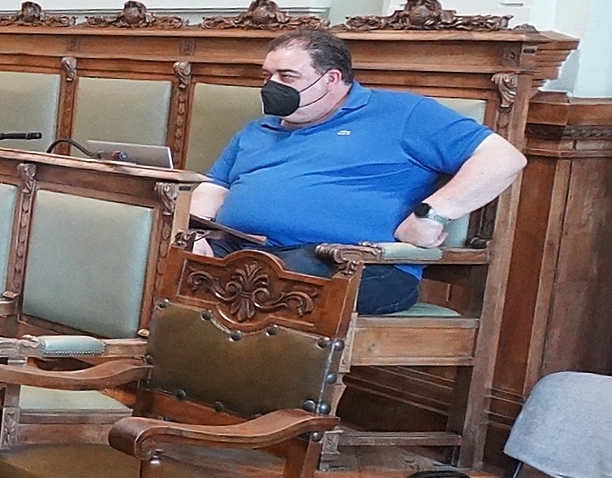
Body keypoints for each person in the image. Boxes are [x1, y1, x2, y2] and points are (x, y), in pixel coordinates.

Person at [191, 29, 526, 315]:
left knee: (262, 284)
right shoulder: (258, 129)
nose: (271, 86)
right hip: (243, 253)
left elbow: (503, 158)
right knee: (175, 263)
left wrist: (433, 214)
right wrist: (193, 235)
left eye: (287, 77)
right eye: (267, 76)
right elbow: (214, 188)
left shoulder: (403, 114)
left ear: (331, 79)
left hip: (353, 263)